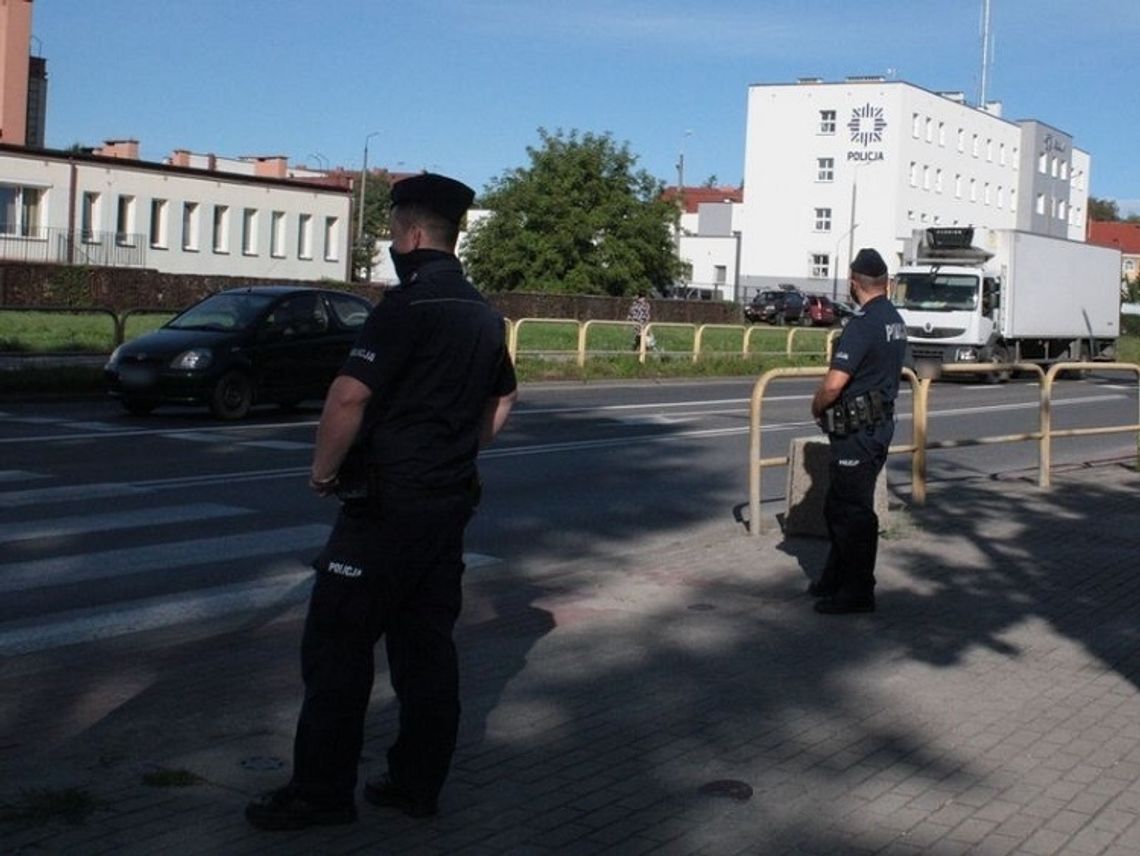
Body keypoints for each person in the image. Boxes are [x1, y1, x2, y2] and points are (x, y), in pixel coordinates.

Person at [246, 173, 518, 831]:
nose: (393, 243)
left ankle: (320, 793)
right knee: (427, 654)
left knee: (337, 651)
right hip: (446, 507)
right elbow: (504, 397)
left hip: (384, 511)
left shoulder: (407, 307)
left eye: (394, 232)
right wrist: (461, 447)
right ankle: (414, 786)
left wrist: (322, 471)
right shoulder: (484, 314)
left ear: (412, 234)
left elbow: (347, 396)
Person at [808, 248, 907, 615]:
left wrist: (817, 405)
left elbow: (834, 385)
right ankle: (835, 578)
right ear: (885, 282)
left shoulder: (862, 324)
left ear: (853, 283)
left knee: (852, 512)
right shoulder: (893, 318)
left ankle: (857, 591)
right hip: (877, 427)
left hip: (858, 431)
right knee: (841, 506)